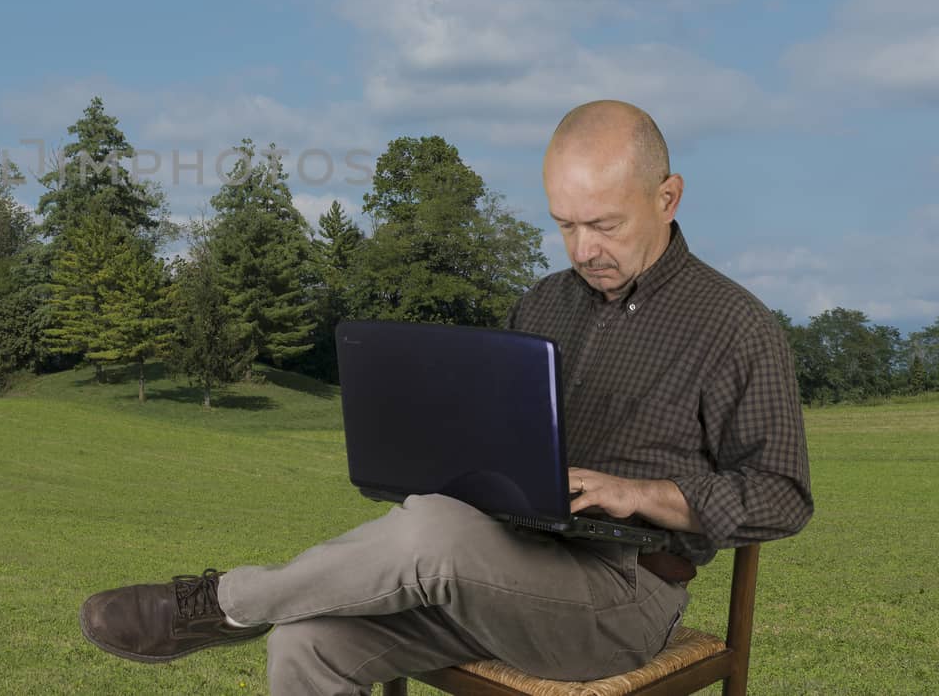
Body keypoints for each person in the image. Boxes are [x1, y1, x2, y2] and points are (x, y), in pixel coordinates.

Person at [79, 100, 813, 694]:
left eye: (605, 224)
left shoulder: (736, 327)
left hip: (618, 602)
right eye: (565, 225)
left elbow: (782, 496)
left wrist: (638, 494)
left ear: (667, 196)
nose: (584, 248)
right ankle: (258, 612)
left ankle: (228, 603)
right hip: (497, 572)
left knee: (429, 530)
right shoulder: (544, 304)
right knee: (307, 643)